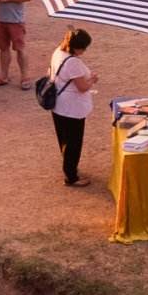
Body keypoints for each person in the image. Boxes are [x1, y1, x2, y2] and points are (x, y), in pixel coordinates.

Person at [48, 28, 96, 186]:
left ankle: (69, 167)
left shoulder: (58, 52)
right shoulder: (73, 62)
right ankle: (71, 176)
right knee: (74, 142)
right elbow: (82, 87)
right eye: (83, 48)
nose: (84, 51)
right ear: (76, 47)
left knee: (64, 139)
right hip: (72, 108)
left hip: (58, 104)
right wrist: (92, 79)